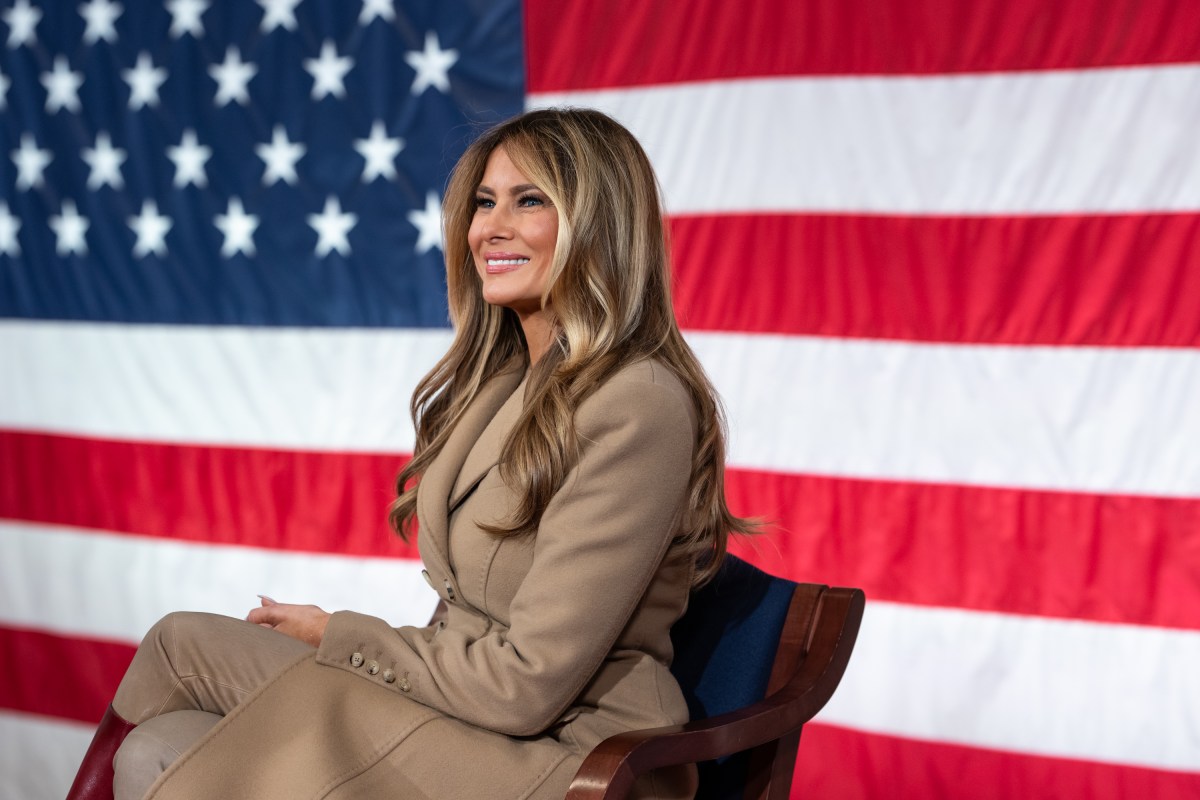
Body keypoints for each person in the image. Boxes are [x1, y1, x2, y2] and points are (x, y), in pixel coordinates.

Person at [65, 108, 753, 800]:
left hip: (564, 752)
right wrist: (344, 642)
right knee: (161, 714)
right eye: (485, 202)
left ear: (598, 221)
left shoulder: (639, 402)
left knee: (175, 705)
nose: (490, 228)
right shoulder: (506, 382)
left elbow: (527, 684)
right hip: (469, 716)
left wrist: (341, 635)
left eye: (528, 200)